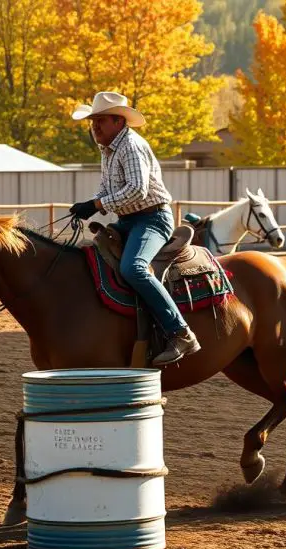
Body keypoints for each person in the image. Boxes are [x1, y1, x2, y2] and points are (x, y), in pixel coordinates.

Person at [68, 91, 201, 366]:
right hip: (129, 221)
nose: (94, 127)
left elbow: (137, 191)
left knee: (133, 268)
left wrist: (96, 204)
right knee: (89, 258)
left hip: (153, 219)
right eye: (92, 121)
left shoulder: (130, 145)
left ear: (118, 121)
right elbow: (107, 188)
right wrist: (94, 203)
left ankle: (181, 332)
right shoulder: (108, 149)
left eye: (100, 120)